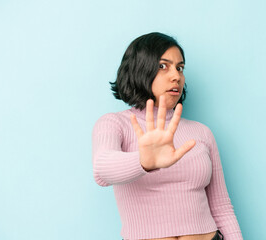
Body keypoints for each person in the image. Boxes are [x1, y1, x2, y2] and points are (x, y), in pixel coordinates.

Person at [92, 32, 243, 240]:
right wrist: (144, 161)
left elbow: (222, 208)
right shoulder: (115, 124)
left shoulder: (201, 132)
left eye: (180, 68)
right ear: (140, 69)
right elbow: (102, 169)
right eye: (164, 66)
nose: (176, 76)